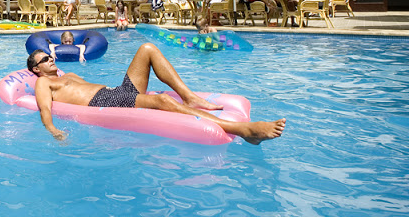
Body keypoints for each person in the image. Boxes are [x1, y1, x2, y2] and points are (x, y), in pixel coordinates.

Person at [28, 44, 286, 144]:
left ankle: (188, 96)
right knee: (162, 100)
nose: (50, 59)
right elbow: (45, 109)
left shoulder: (68, 75)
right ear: (36, 69)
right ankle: (243, 130)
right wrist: (53, 130)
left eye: (50, 56)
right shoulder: (43, 83)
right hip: (102, 102)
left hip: (115, 93)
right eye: (44, 59)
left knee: (147, 49)